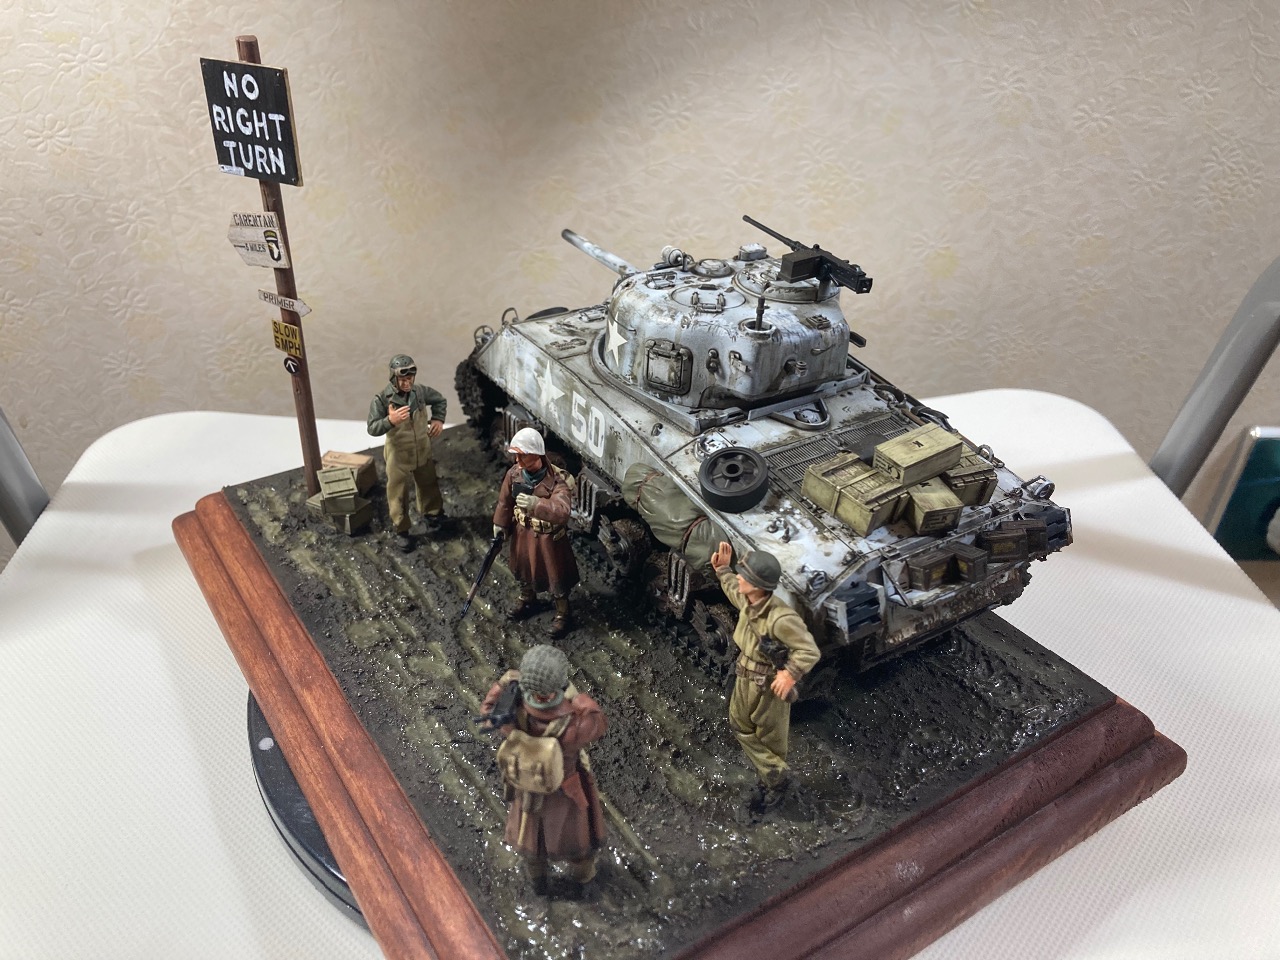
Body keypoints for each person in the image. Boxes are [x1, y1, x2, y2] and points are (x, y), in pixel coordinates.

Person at [479, 644, 607, 896]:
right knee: (577, 843)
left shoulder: (512, 716)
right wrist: (576, 697)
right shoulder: (575, 725)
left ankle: (538, 882)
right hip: (566, 793)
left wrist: (503, 685)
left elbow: (487, 711)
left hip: (528, 790)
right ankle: (583, 880)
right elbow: (597, 720)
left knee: (532, 843)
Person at [710, 541, 820, 811]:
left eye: (744, 576)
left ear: (758, 585)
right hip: (744, 674)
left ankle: (775, 781)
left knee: (770, 737)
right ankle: (774, 772)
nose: (739, 578)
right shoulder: (749, 602)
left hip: (768, 684)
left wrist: (790, 674)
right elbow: (733, 589)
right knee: (739, 725)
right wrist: (723, 570)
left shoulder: (780, 618)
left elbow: (809, 650)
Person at [492, 427, 579, 637]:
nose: (518, 460)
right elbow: (505, 502)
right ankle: (528, 599)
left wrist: (536, 504)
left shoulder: (557, 481)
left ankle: (563, 613)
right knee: (523, 569)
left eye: (523, 455)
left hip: (548, 540)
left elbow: (562, 510)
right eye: (517, 455)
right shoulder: (514, 474)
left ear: (537, 454)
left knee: (555, 577)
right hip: (523, 533)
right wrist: (500, 524)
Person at [367, 355, 446, 551]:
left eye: (410, 378)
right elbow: (372, 428)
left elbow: (439, 400)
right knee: (398, 493)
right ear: (394, 378)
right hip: (398, 454)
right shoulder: (382, 400)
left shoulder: (419, 392)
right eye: (403, 379)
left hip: (422, 448)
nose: (407, 383)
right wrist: (390, 421)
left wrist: (438, 419)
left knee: (428, 483)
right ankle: (401, 529)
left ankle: (432, 513)